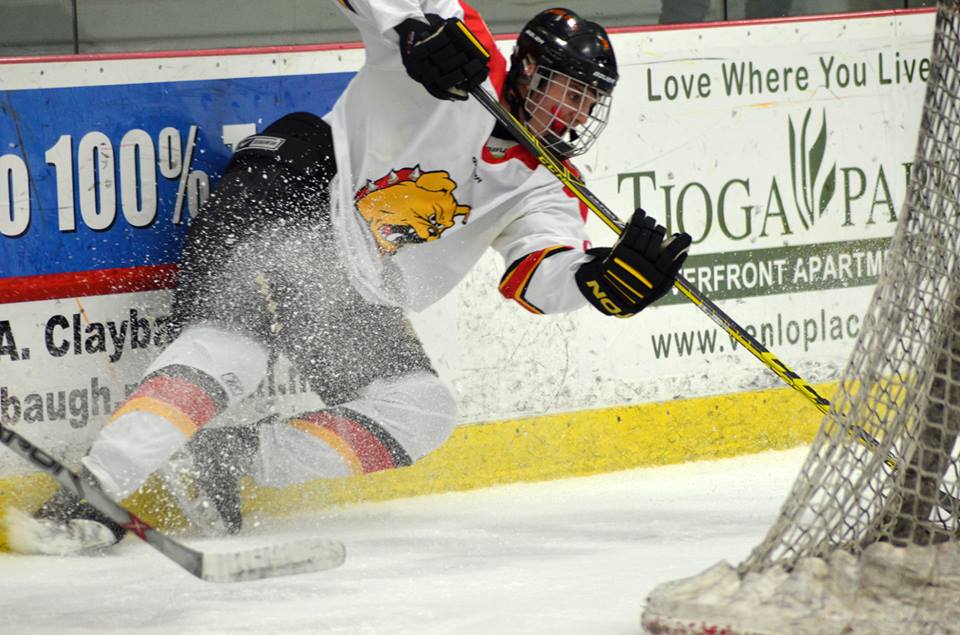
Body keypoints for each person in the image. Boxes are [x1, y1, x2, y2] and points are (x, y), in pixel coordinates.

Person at [27, 2, 691, 551]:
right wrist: (412, 26)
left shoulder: (548, 187)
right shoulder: (465, 55)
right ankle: (90, 493)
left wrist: (597, 280)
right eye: (568, 91)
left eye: (589, 100)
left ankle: (225, 461)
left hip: (347, 287)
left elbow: (542, 271)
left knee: (423, 409)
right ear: (530, 70)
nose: (575, 113)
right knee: (233, 352)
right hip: (295, 187)